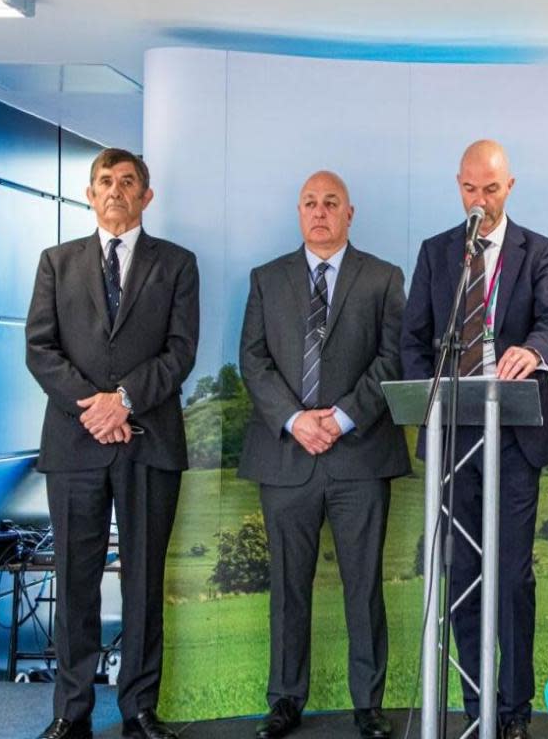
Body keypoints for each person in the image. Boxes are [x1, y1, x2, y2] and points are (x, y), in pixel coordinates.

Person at [26, 149, 200, 739]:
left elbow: (180, 352)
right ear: (89, 191)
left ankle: (138, 710)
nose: (116, 190)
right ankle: (70, 714)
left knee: (143, 580)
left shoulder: (177, 264)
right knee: (75, 579)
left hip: (148, 442)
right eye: (106, 181)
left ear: (147, 196)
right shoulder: (57, 262)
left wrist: (121, 401)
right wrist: (96, 409)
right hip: (75, 446)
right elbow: (41, 349)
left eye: (128, 182)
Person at [400, 140, 548, 739]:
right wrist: (431, 392)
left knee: (511, 576)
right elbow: (414, 338)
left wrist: (534, 351)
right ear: (458, 186)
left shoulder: (537, 251)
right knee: (463, 570)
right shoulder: (437, 252)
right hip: (454, 437)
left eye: (490, 189)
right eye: (470, 189)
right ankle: (476, 706)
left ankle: (516, 709)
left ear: (510, 186)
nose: (480, 200)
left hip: (515, 435)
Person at [238, 171, 409, 739]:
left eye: (330, 203)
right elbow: (253, 361)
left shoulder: (384, 278)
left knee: (364, 585)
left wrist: (337, 419)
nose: (319, 212)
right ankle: (285, 700)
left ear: (350, 213)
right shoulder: (267, 279)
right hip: (287, 455)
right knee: (288, 585)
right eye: (310, 202)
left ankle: (369, 705)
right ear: (298, 211)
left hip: (359, 454)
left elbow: (393, 359)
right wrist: (295, 419)